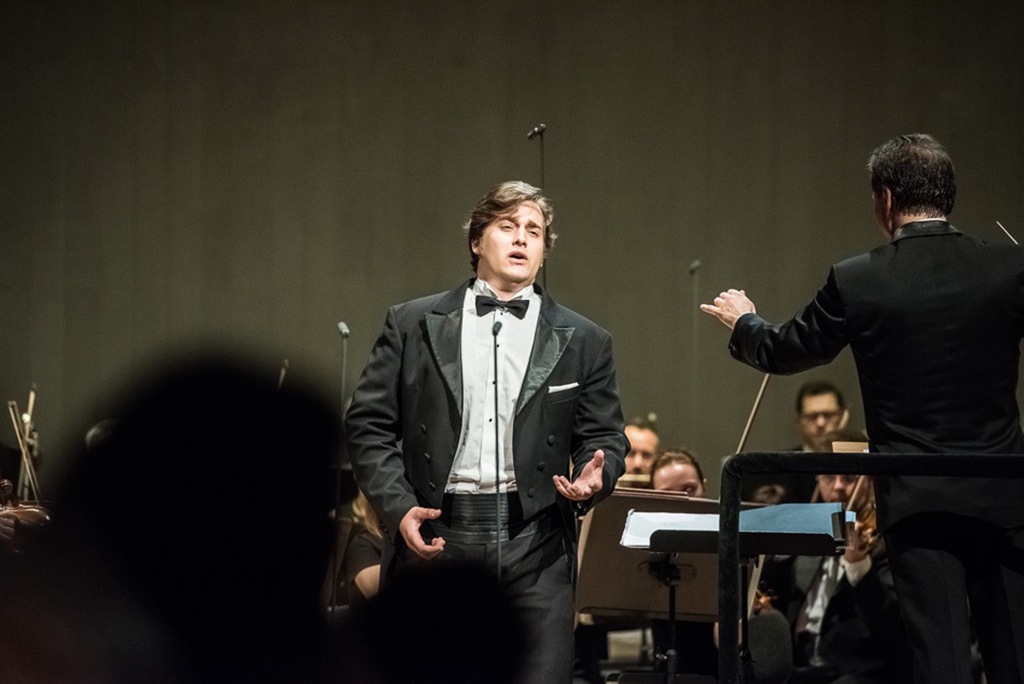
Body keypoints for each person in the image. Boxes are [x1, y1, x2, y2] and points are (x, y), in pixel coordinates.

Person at [701, 133, 1024, 682]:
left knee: (941, 664)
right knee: (1015, 656)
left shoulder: (859, 278)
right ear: (948, 195)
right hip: (1006, 496)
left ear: (886, 199)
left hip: (919, 504)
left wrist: (745, 322)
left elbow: (786, 350)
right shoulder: (1010, 266)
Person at [345, 180, 629, 683]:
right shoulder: (412, 323)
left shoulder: (586, 340)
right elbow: (368, 424)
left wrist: (595, 475)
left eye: (534, 231)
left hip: (537, 543)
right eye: (507, 226)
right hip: (436, 537)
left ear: (543, 252)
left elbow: (604, 437)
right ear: (477, 241)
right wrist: (399, 507)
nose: (522, 238)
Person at [759, 468, 909, 683]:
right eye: (829, 478)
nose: (838, 486)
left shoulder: (888, 544)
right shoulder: (810, 533)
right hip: (799, 667)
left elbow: (893, 628)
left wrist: (857, 563)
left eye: (848, 478)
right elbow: (773, 599)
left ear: (868, 483)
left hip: (855, 672)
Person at [745, 381, 851, 505]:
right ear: (798, 421)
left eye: (828, 415)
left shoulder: (859, 464)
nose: (820, 423)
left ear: (844, 416)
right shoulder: (777, 469)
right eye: (812, 416)